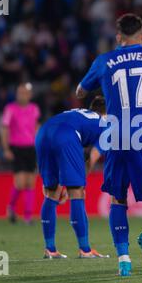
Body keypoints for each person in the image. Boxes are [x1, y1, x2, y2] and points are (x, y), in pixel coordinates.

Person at [76, 13, 142, 276]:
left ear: (118, 37)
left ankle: (123, 260)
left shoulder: (104, 61)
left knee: (118, 199)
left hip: (116, 136)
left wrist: (103, 84)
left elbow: (80, 92)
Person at [35, 96, 109, 259]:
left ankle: (50, 249)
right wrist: (76, 185)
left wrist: (65, 182)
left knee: (51, 194)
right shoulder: (106, 125)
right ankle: (85, 250)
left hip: (43, 132)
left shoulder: (79, 114)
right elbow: (91, 160)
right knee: (77, 193)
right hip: (67, 134)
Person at [1, 82, 40, 225]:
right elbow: (4, 129)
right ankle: (11, 207)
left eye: (24, 93)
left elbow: (36, 127)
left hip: (30, 148)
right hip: (17, 148)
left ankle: (28, 217)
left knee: (31, 182)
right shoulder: (10, 109)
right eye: (20, 92)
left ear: (29, 95)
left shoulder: (34, 109)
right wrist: (6, 149)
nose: (22, 95)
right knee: (20, 182)